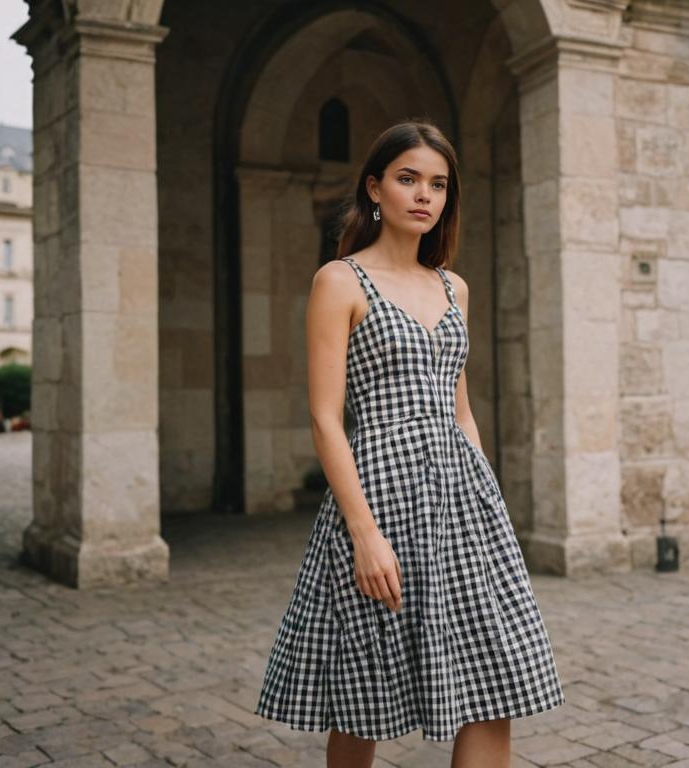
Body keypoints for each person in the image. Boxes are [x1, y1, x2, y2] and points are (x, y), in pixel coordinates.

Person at [254, 120, 564, 767]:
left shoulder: (455, 288)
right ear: (375, 188)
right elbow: (324, 417)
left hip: (463, 500)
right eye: (408, 179)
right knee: (363, 692)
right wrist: (364, 532)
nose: (424, 195)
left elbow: (461, 406)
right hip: (379, 496)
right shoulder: (339, 281)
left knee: (493, 678)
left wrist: (483, 494)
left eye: (438, 184)